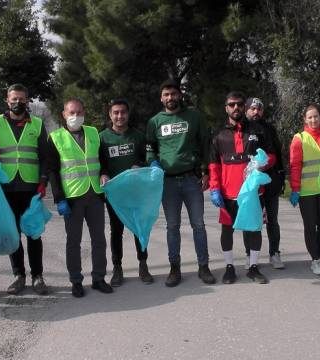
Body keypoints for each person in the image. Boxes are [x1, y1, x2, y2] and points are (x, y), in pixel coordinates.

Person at [145, 79, 215, 287]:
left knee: (199, 225)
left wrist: (206, 172)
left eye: (173, 94)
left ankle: (204, 267)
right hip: (168, 183)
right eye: (166, 94)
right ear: (161, 98)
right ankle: (174, 268)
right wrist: (154, 164)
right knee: (172, 227)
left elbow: (206, 145)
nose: (170, 98)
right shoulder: (154, 122)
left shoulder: (194, 116)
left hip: (192, 179)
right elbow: (150, 150)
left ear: (180, 95)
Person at [47, 98, 112, 298]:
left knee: (99, 240)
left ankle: (99, 278)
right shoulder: (55, 137)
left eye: (79, 112)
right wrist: (59, 199)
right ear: (64, 114)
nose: (76, 116)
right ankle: (76, 281)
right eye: (71, 113)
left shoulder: (93, 133)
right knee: (73, 242)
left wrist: (104, 172)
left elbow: (103, 160)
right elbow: (52, 171)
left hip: (95, 195)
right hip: (72, 198)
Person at [209, 92, 276, 284]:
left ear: (243, 107)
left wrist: (262, 163)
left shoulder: (258, 130)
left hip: (253, 193)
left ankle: (253, 267)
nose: (236, 108)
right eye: (231, 105)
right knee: (227, 231)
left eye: (239, 104)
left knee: (254, 229)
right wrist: (214, 188)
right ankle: (230, 267)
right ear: (226, 108)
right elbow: (213, 165)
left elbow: (272, 156)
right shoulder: (218, 133)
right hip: (228, 193)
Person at [0, 84, 50, 295]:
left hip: (30, 186)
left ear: (27, 101)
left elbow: (45, 156)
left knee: (34, 233)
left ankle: (38, 276)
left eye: (22, 99)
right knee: (12, 233)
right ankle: (19, 276)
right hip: (6, 187)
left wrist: (43, 180)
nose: (18, 103)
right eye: (14, 99)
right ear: (7, 100)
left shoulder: (37, 124)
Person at [99, 98, 153, 286]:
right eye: (116, 112)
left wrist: (140, 164)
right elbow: (100, 164)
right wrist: (103, 174)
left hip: (136, 192)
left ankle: (143, 264)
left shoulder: (138, 136)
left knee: (140, 228)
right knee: (116, 231)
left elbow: (147, 158)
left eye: (123, 112)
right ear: (110, 115)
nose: (120, 116)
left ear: (128, 114)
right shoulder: (102, 137)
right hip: (115, 194)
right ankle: (117, 268)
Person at [289, 104, 320, 275]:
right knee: (310, 227)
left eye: (316, 116)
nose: (313, 120)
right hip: (306, 192)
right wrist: (295, 189)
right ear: (305, 120)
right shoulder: (299, 138)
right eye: (310, 117)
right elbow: (295, 166)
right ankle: (315, 260)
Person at [244, 97, 286, 270]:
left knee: (272, 220)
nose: (256, 112)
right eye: (253, 108)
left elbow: (277, 153)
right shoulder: (242, 128)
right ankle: (249, 255)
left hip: (270, 181)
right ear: (246, 110)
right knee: (251, 221)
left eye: (259, 109)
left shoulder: (269, 128)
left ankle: (274, 253)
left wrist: (281, 176)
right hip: (250, 183)